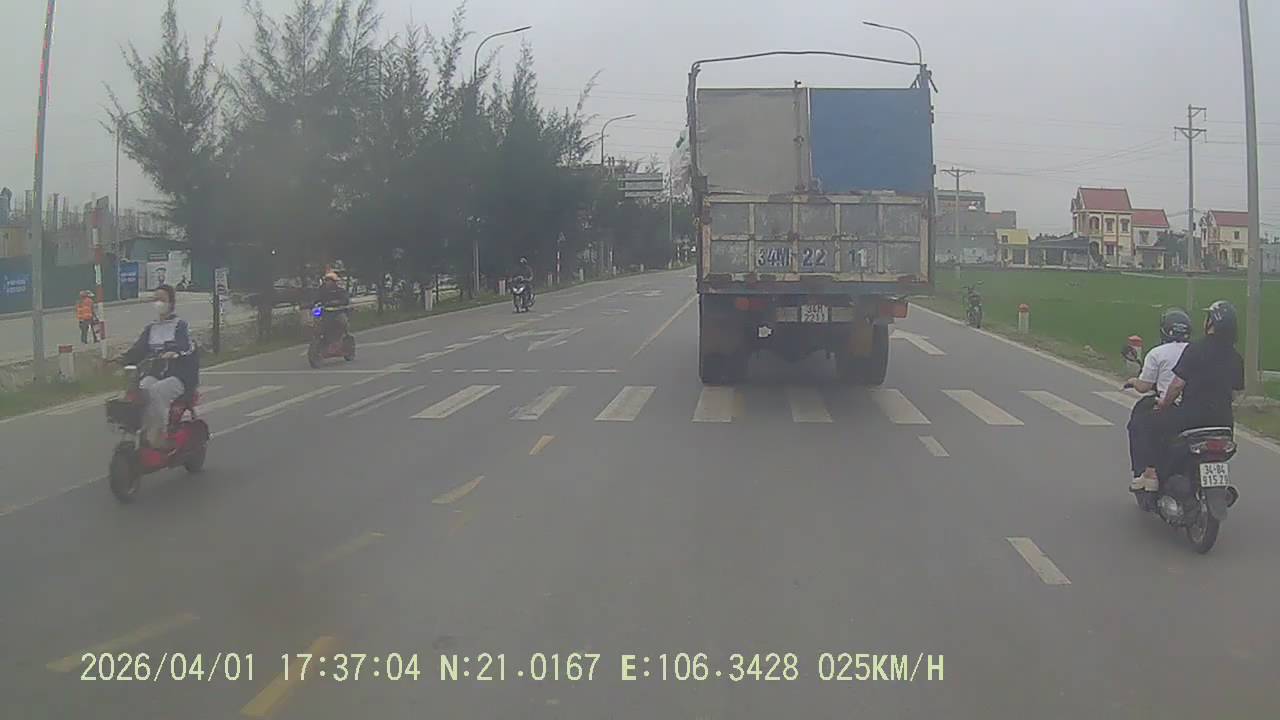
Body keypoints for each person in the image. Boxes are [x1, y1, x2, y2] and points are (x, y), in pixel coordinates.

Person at [1141, 300, 1245, 489]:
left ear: (1211, 322)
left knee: (1152, 423)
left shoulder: (1196, 349)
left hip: (1192, 419)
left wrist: (1164, 404)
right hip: (1224, 422)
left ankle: (1151, 474)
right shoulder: (1236, 357)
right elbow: (1236, 393)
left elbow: (1176, 386)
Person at [121, 285, 199, 451]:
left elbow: (186, 346)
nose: (158, 303)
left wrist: (174, 352)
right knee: (141, 389)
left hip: (179, 376)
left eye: (162, 299)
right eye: (156, 299)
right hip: (157, 374)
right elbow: (139, 349)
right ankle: (144, 431)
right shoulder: (152, 327)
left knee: (156, 391)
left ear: (171, 303)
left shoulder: (180, 325)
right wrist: (119, 359)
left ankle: (160, 436)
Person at [1124, 307, 1190, 491]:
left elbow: (1144, 386)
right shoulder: (1196, 350)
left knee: (1139, 423)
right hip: (1197, 408)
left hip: (1171, 406)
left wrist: (1133, 381)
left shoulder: (1157, 353)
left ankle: (1147, 472)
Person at [316, 271, 350, 342]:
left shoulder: (340, 291)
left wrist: (336, 303)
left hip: (338, 312)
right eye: (326, 280)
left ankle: (345, 335)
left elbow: (345, 300)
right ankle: (320, 339)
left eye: (329, 280)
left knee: (343, 321)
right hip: (326, 313)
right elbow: (316, 300)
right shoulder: (322, 291)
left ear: (334, 281)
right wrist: (313, 304)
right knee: (318, 324)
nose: (327, 282)